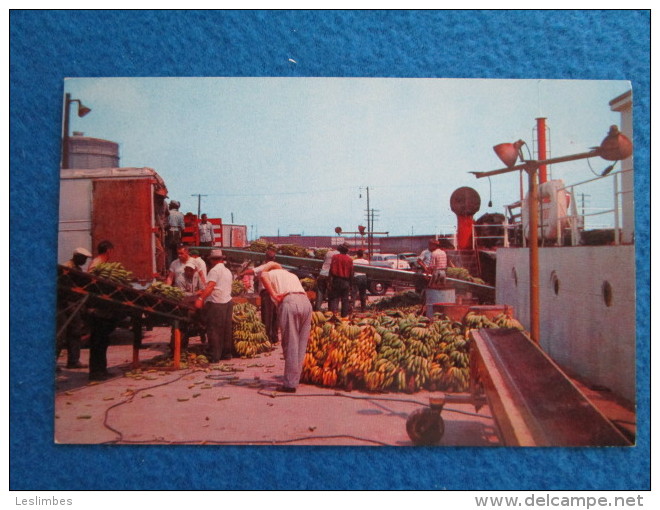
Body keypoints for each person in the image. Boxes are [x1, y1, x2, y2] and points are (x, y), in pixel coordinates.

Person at [259, 262, 312, 393]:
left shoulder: (270, 273)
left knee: (290, 343)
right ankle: (294, 380)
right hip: (306, 303)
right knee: (301, 344)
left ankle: (289, 384)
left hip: (290, 301)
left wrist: (274, 294)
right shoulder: (291, 275)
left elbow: (262, 275)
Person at [86, 240, 121, 380]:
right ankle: (96, 372)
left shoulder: (100, 264)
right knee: (98, 341)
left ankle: (101, 370)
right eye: (111, 251)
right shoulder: (97, 265)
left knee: (102, 340)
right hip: (98, 309)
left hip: (101, 309)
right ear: (108, 251)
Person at [195, 249, 234, 362]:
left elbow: (211, 286)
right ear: (222, 259)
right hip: (227, 302)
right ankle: (226, 354)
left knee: (214, 330)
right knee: (226, 330)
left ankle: (214, 356)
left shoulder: (214, 271)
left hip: (217, 303)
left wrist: (201, 298)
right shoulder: (227, 271)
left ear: (212, 260)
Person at [57, 247, 93, 369]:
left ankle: (73, 360)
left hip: (73, 304)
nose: (84, 261)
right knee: (60, 334)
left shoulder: (78, 269)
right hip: (63, 304)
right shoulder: (67, 268)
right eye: (83, 258)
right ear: (76, 257)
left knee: (75, 332)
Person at [239, 249, 278, 345]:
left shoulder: (264, 266)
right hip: (276, 293)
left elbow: (251, 271)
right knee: (275, 315)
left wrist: (242, 274)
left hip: (267, 293)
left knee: (267, 316)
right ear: (274, 258)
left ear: (266, 258)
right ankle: (275, 337)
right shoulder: (277, 267)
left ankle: (267, 338)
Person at [328, 244, 354, 317]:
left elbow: (331, 270)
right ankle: (344, 316)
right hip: (345, 282)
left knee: (335, 299)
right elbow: (351, 273)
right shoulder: (349, 259)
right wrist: (351, 285)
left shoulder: (335, 257)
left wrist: (329, 282)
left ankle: (334, 315)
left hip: (336, 280)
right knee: (345, 300)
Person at [315, 246, 339, 311]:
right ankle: (331, 310)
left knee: (320, 291)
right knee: (331, 293)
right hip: (330, 275)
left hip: (322, 273)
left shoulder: (328, 253)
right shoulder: (339, 255)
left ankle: (317, 308)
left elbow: (324, 261)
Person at [166, 200, 185, 266]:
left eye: (170, 205)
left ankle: (169, 266)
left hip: (169, 232)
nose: (169, 206)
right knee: (177, 251)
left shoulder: (168, 213)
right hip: (177, 233)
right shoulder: (180, 214)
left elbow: (166, 223)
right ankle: (176, 265)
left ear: (172, 206)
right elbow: (183, 228)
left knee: (169, 250)